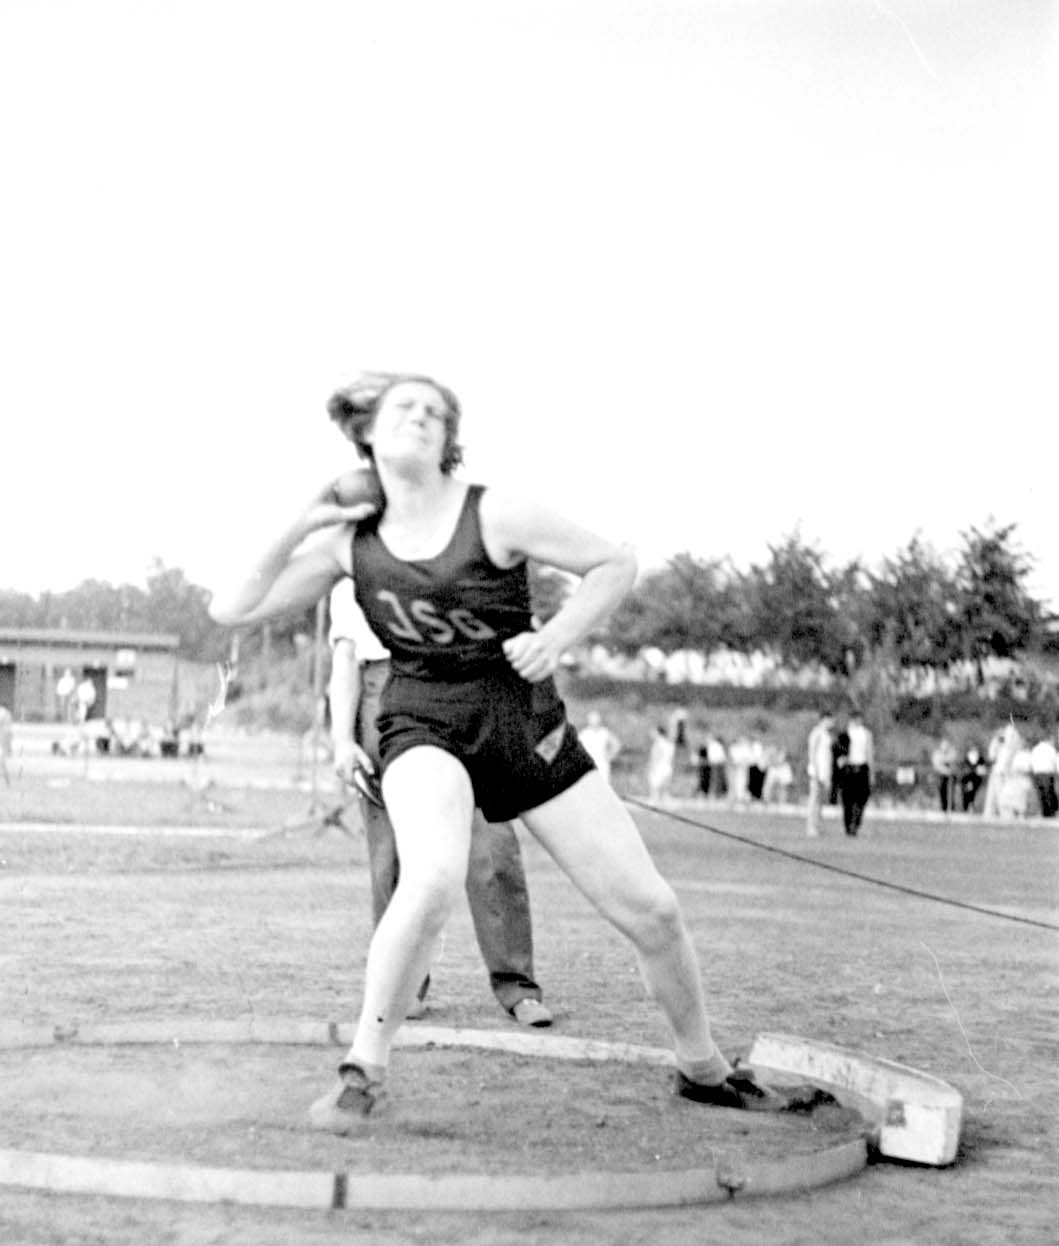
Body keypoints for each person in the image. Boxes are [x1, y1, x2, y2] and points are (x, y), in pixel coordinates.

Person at [209, 369, 792, 1131]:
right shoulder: (348, 545)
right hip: (424, 725)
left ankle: (703, 1067)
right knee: (433, 875)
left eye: (434, 412)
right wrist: (304, 517)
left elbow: (614, 563)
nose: (419, 417)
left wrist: (556, 636)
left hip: (522, 724)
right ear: (368, 435)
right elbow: (232, 607)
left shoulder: (497, 512)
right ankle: (363, 1071)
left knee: (651, 909)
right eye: (401, 408)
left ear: (450, 439)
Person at [328, 575, 553, 1026]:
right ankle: (403, 986)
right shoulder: (355, 573)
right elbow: (346, 662)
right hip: (383, 691)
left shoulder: (460, 558)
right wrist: (341, 741)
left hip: (460, 691)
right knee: (391, 855)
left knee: (492, 843)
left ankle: (517, 986)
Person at [838, 709, 874, 837]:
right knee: (848, 800)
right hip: (849, 768)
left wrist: (871, 772)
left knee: (861, 799)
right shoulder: (845, 733)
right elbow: (840, 752)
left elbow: (869, 753)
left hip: (862, 768)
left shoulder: (866, 734)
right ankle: (848, 826)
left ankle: (856, 824)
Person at [805, 709, 833, 838]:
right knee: (814, 800)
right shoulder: (816, 733)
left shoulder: (827, 734)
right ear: (824, 719)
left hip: (824, 772)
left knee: (820, 802)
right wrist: (815, 770)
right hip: (816, 772)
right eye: (830, 720)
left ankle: (818, 826)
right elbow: (812, 752)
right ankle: (810, 827)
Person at [577, 710, 622, 787]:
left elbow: (617, 744)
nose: (594, 722)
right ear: (589, 721)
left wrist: (610, 756)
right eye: (592, 720)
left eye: (596, 720)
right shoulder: (584, 734)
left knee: (604, 785)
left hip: (602, 763)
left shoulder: (604, 732)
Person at [1029, 731, 1058, 819]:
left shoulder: (1035, 749)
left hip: (1037, 773)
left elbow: (1032, 761)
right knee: (1049, 793)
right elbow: (1055, 762)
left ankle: (1045, 812)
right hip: (1047, 773)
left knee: (1041, 794)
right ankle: (1050, 812)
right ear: (1049, 739)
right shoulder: (1051, 749)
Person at [645, 725, 676, 803]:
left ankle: (653, 800)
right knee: (665, 787)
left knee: (654, 785)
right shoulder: (668, 743)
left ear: (658, 732)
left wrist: (650, 766)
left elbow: (655, 756)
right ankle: (666, 800)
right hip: (667, 766)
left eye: (654, 731)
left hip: (659, 766)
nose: (651, 733)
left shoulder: (658, 743)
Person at [931, 735, 959, 813]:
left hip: (951, 777)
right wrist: (945, 767)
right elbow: (937, 765)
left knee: (951, 793)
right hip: (940, 776)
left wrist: (943, 761)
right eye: (944, 745)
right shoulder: (937, 753)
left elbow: (952, 760)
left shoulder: (952, 752)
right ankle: (943, 808)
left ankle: (951, 808)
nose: (945, 747)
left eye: (947, 745)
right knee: (942, 792)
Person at [0, 704, 12, 787]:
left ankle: (7, 782)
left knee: (2, 762)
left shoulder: (4, 713)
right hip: (3, 739)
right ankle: (8, 782)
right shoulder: (6, 713)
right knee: (2, 762)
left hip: (2, 739)